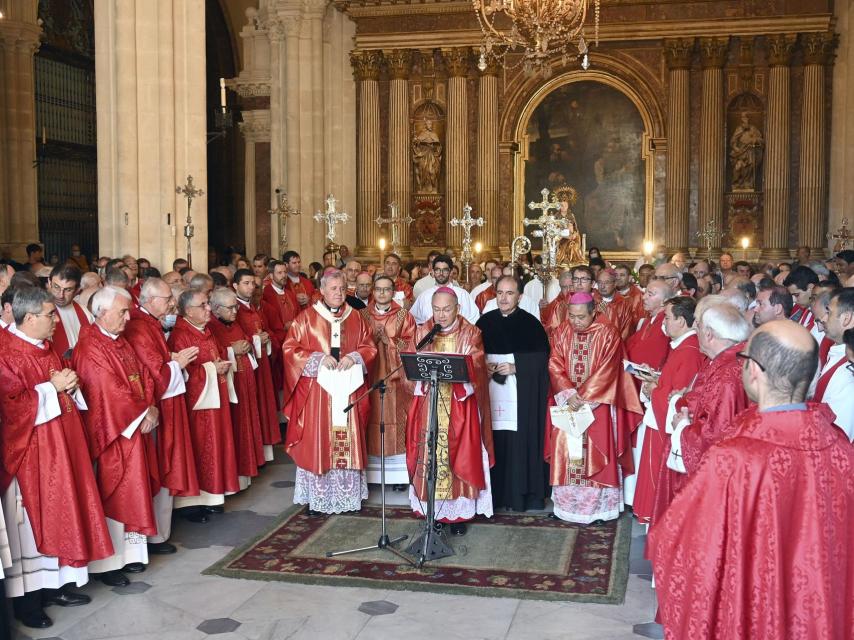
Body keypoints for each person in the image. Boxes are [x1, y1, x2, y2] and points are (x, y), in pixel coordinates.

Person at [648, 320, 854, 640]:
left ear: (754, 371)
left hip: (754, 614)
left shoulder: (733, 458)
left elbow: (681, 544)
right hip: (819, 615)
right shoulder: (841, 448)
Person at [0, 287, 112, 629]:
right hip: (30, 457)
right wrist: (54, 388)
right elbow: (11, 407)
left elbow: (60, 386)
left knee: (63, 511)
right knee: (30, 531)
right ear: (30, 318)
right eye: (50, 315)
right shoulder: (7, 353)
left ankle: (54, 586)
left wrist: (70, 384)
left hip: (61, 447)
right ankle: (27, 602)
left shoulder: (44, 349)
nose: (55, 321)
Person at [73, 286, 159, 587]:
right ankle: (108, 563)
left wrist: (150, 406)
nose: (128, 316)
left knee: (134, 486)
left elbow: (143, 375)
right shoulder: (91, 345)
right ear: (102, 313)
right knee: (117, 488)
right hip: (114, 431)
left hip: (133, 425)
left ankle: (132, 555)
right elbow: (105, 389)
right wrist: (142, 413)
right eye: (122, 311)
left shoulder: (118, 340)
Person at [282, 270, 377, 515]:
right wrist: (317, 358)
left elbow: (370, 347)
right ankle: (319, 498)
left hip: (347, 389)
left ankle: (347, 497)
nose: (338, 293)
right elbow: (290, 349)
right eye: (333, 288)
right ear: (321, 291)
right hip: (319, 392)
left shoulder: (356, 317)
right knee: (319, 440)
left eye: (342, 288)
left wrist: (355, 357)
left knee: (347, 439)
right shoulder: (306, 318)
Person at [546, 292, 642, 524]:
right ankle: (566, 508)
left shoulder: (608, 334)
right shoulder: (562, 332)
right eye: (571, 316)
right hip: (568, 403)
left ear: (593, 313)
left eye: (581, 317)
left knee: (596, 453)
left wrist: (585, 397)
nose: (575, 321)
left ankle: (598, 510)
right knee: (568, 455)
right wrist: (568, 393)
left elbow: (609, 369)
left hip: (597, 405)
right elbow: (555, 362)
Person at [405, 287, 494, 535]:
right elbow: (411, 362)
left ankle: (458, 514)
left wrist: (463, 379)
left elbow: (476, 364)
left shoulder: (471, 332)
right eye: (436, 309)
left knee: (458, 454)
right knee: (430, 451)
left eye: (446, 309)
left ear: (458, 308)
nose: (441, 315)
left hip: (458, 404)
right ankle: (432, 510)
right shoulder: (423, 331)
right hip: (429, 403)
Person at [654, 300, 752, 521]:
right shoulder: (724, 362)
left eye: (698, 327)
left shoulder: (728, 376)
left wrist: (683, 427)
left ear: (709, 334)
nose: (694, 331)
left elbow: (717, 436)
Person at [125, 278, 201, 545]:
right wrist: (176, 362)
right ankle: (153, 536)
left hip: (164, 402)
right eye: (167, 298)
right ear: (149, 301)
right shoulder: (139, 327)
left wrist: (173, 361)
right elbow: (153, 372)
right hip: (154, 406)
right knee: (158, 466)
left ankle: (159, 534)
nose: (171, 302)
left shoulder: (149, 324)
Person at [476, 276, 550, 512]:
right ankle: (493, 495)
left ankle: (521, 495)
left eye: (509, 293)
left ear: (519, 296)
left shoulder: (531, 324)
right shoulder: (484, 323)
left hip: (520, 395)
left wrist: (517, 367)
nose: (504, 298)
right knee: (493, 440)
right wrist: (483, 366)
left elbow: (543, 361)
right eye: (500, 293)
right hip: (491, 392)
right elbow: (473, 355)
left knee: (519, 442)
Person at [631, 297, 706, 525]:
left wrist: (655, 388)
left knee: (657, 477)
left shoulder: (689, 351)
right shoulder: (682, 346)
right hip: (658, 418)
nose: (664, 323)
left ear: (682, 321)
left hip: (665, 426)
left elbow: (681, 398)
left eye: (668, 318)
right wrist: (656, 379)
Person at [167, 289, 240, 515]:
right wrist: (211, 369)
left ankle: (213, 496)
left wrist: (220, 365)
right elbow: (184, 374)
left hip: (215, 399)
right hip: (197, 406)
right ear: (188, 311)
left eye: (208, 303)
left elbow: (215, 356)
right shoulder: (181, 335)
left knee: (217, 444)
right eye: (203, 305)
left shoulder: (205, 330)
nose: (209, 308)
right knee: (201, 448)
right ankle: (194, 503)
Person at [359, 275, 416, 487]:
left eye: (387, 289)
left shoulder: (403, 316)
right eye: (378, 289)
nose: (382, 293)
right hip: (370, 377)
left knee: (397, 421)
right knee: (371, 418)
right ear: (373, 292)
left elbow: (412, 345)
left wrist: (389, 341)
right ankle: (371, 474)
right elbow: (356, 343)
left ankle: (400, 476)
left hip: (396, 380)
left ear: (393, 292)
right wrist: (373, 339)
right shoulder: (362, 315)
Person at [208, 288, 265, 487]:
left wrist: (248, 344)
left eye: (236, 307)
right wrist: (232, 350)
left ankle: (249, 468)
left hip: (245, 383)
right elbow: (214, 353)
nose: (234, 311)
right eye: (230, 308)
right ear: (215, 309)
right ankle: (238, 474)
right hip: (231, 386)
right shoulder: (213, 327)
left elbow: (246, 339)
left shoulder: (234, 322)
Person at [232, 268, 281, 461]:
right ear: (235, 285)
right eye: (246, 283)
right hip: (246, 368)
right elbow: (234, 340)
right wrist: (255, 340)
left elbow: (268, 330)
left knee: (263, 406)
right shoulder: (234, 309)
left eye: (253, 283)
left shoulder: (254, 308)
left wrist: (267, 338)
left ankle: (262, 452)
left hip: (262, 366)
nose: (251, 287)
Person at [811, 288, 854, 440]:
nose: (823, 318)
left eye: (829, 312)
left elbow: (837, 437)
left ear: (846, 318)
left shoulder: (849, 370)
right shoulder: (838, 352)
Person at [260, 259, 299, 410]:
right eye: (279, 273)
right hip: (279, 342)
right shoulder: (267, 294)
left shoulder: (290, 293)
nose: (283, 276)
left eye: (285, 272)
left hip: (293, 341)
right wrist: (283, 327)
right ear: (271, 275)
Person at [409, 255, 479, 325]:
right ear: (433, 272)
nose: (441, 273)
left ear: (451, 272)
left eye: (445, 270)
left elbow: (474, 320)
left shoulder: (463, 295)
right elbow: (413, 322)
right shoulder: (424, 296)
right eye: (437, 270)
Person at [47, 264, 91, 363]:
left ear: (77, 289)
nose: (60, 295)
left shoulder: (86, 313)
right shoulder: (38, 311)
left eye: (68, 290)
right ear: (49, 282)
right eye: (56, 287)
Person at [595, 268, 635, 339]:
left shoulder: (624, 304)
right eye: (600, 282)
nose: (602, 286)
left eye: (607, 282)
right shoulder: (593, 301)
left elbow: (626, 331)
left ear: (615, 284)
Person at [783, 265, 818, 330]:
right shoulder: (803, 308)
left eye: (797, 295)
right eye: (792, 295)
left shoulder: (821, 314)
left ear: (811, 287)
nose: (794, 300)